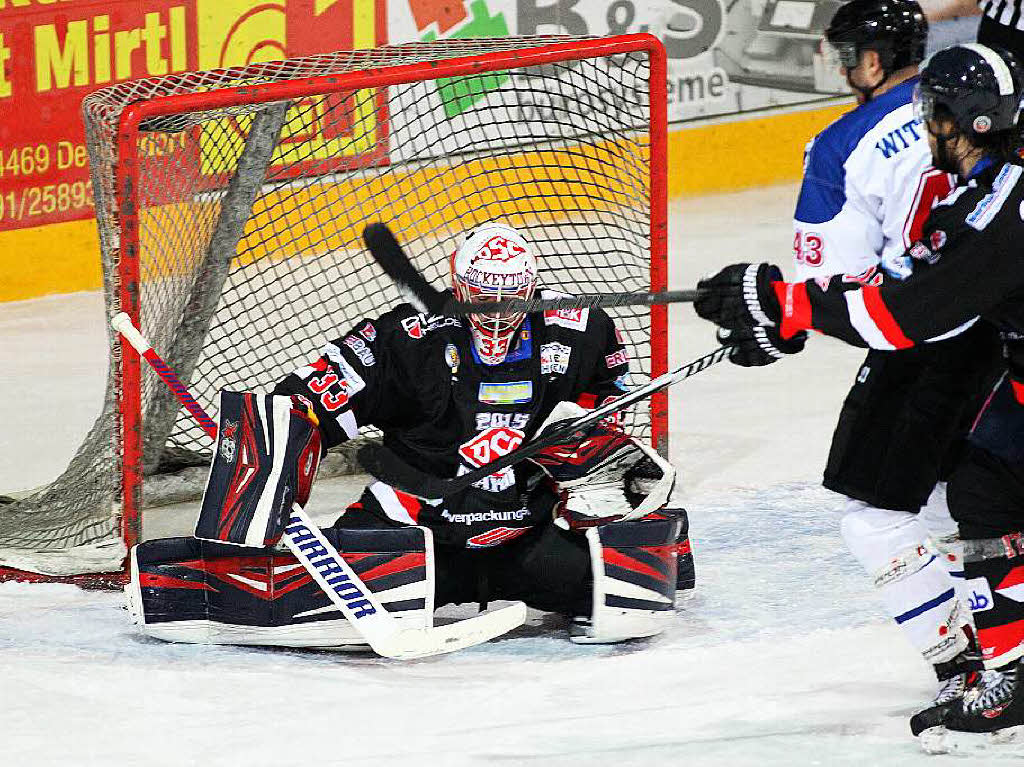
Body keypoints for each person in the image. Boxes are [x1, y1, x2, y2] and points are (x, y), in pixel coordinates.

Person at [127, 222, 691, 648]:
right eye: (482, 299)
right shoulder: (403, 340)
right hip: (412, 534)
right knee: (273, 596)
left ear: (534, 288)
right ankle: (181, 580)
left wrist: (596, 456)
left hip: (526, 532)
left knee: (631, 597)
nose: (496, 316)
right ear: (457, 285)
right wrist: (268, 463)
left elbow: (610, 416)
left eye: (511, 300)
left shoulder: (581, 331)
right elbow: (304, 404)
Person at [693, 43, 1024, 746]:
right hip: (1011, 374)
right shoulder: (988, 192)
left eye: (934, 115)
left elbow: (905, 315)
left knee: (981, 494)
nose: (927, 125)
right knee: (979, 489)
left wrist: (795, 308)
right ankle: (1012, 671)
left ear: (963, 122)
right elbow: (903, 279)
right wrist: (786, 302)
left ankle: (1010, 677)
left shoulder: (996, 214)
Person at [789, 0, 999, 707]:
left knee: (874, 516)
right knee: (956, 499)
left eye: (850, 55)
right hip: (1001, 329)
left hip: (915, 340)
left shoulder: (839, 143)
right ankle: (1000, 645)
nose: (847, 68)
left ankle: (965, 672)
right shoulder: (978, 102)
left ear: (872, 61)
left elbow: (826, 282)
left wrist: (775, 316)